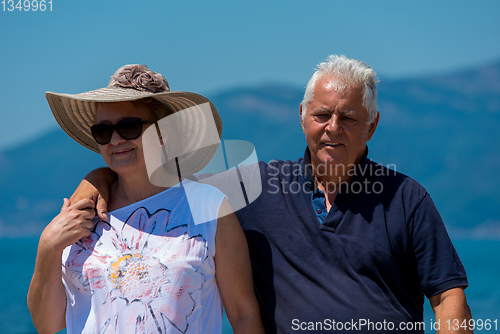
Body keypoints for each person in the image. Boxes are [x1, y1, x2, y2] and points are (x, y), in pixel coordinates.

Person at [69, 56, 473, 333]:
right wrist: (99, 177)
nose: (333, 127)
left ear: (372, 125)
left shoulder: (405, 197)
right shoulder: (254, 187)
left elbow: (448, 295)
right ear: (302, 117)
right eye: (321, 115)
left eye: (349, 117)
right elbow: (159, 184)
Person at [27, 64, 264, 334]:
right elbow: (47, 325)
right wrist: (48, 247)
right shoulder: (82, 214)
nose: (115, 139)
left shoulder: (209, 206)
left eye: (129, 127)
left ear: (165, 134)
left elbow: (243, 314)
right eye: (103, 131)